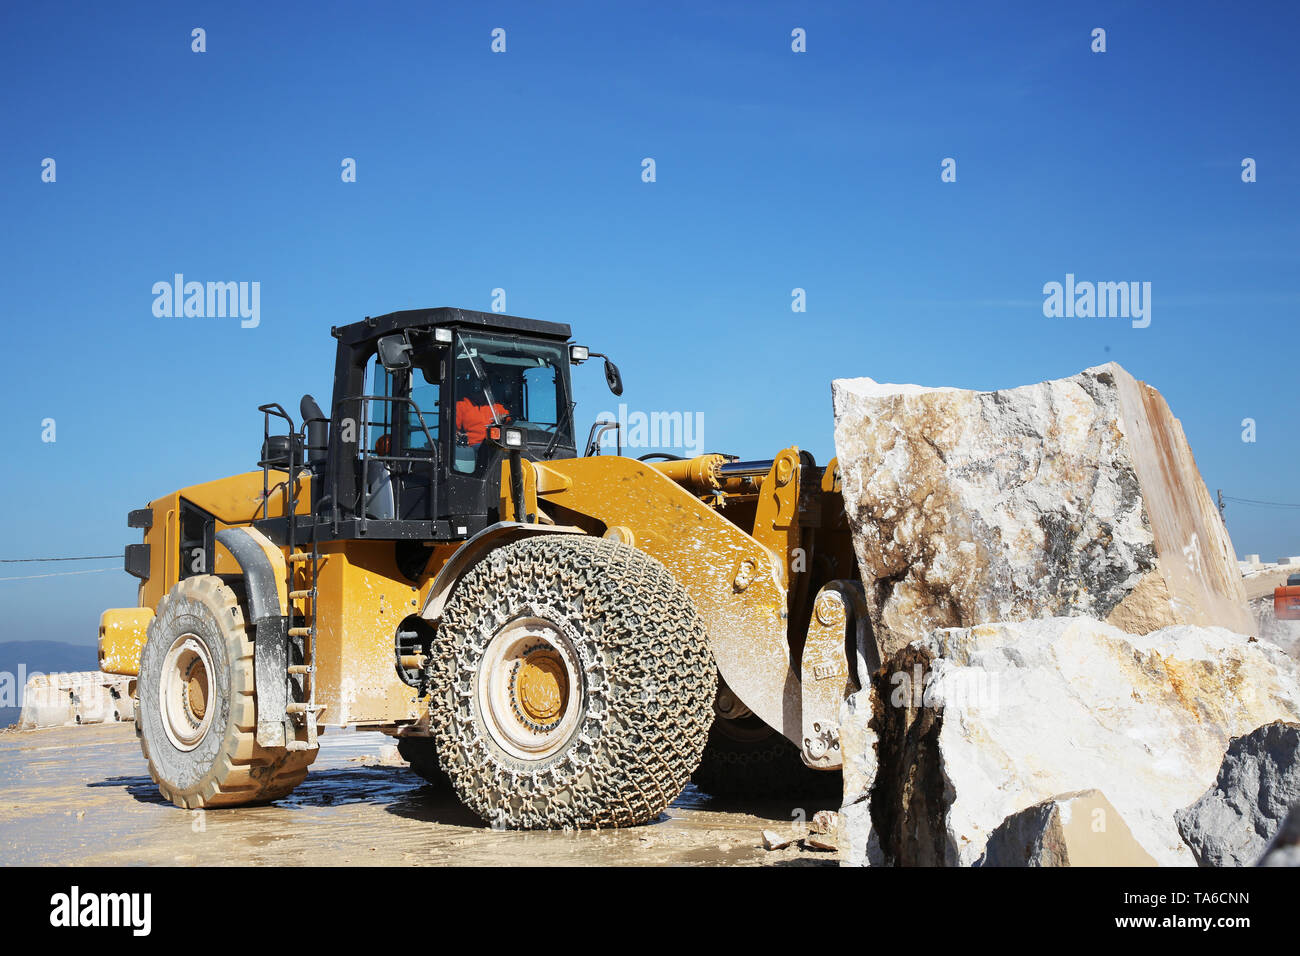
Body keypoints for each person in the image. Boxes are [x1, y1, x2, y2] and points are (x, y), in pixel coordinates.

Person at [455, 376, 509, 446]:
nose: (477, 389)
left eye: (480, 386)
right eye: (475, 386)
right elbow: (454, 429)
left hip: (494, 444)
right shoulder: (461, 405)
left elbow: (509, 418)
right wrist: (457, 436)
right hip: (472, 446)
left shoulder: (495, 406)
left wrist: (503, 418)